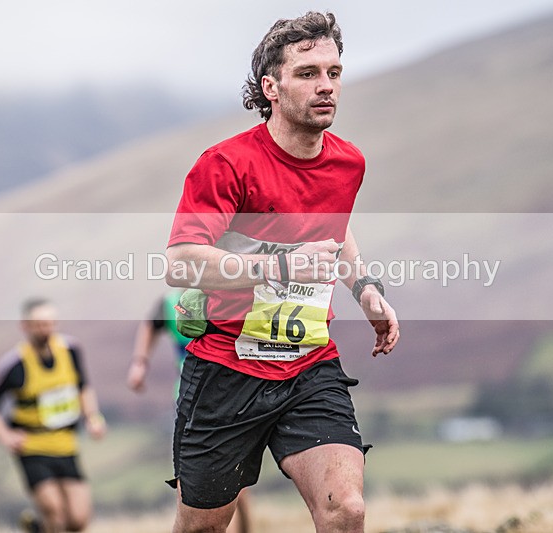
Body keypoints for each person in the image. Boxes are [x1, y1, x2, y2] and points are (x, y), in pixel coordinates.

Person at [163, 11, 399, 533]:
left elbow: (336, 233)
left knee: (346, 509)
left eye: (334, 73)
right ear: (271, 86)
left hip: (309, 364)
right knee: (204, 526)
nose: (326, 86)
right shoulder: (225, 165)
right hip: (227, 367)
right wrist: (280, 266)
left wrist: (365, 291)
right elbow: (180, 263)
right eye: (308, 73)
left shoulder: (348, 163)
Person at [126, 290, 252, 533]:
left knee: (238, 489)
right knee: (200, 487)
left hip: (234, 398)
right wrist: (140, 362)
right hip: (189, 401)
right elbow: (150, 325)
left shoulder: (231, 293)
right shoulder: (171, 302)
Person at [0, 298, 106, 533]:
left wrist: (93, 418)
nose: (45, 329)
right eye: (39, 324)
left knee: (78, 519)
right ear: (24, 326)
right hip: (33, 447)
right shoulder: (14, 364)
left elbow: (83, 387)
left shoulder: (71, 350)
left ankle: (35, 528)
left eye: (49, 323)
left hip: (66, 444)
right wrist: (5, 437)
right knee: (54, 511)